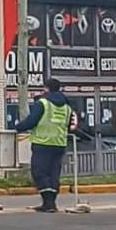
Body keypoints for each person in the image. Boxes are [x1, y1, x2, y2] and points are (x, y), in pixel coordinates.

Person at [14, 78, 73, 213]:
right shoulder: (67, 107)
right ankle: (51, 202)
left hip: (42, 143)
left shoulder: (43, 103)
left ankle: (48, 203)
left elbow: (32, 121)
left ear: (46, 89)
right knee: (53, 173)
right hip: (59, 144)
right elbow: (69, 125)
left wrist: (18, 127)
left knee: (39, 172)